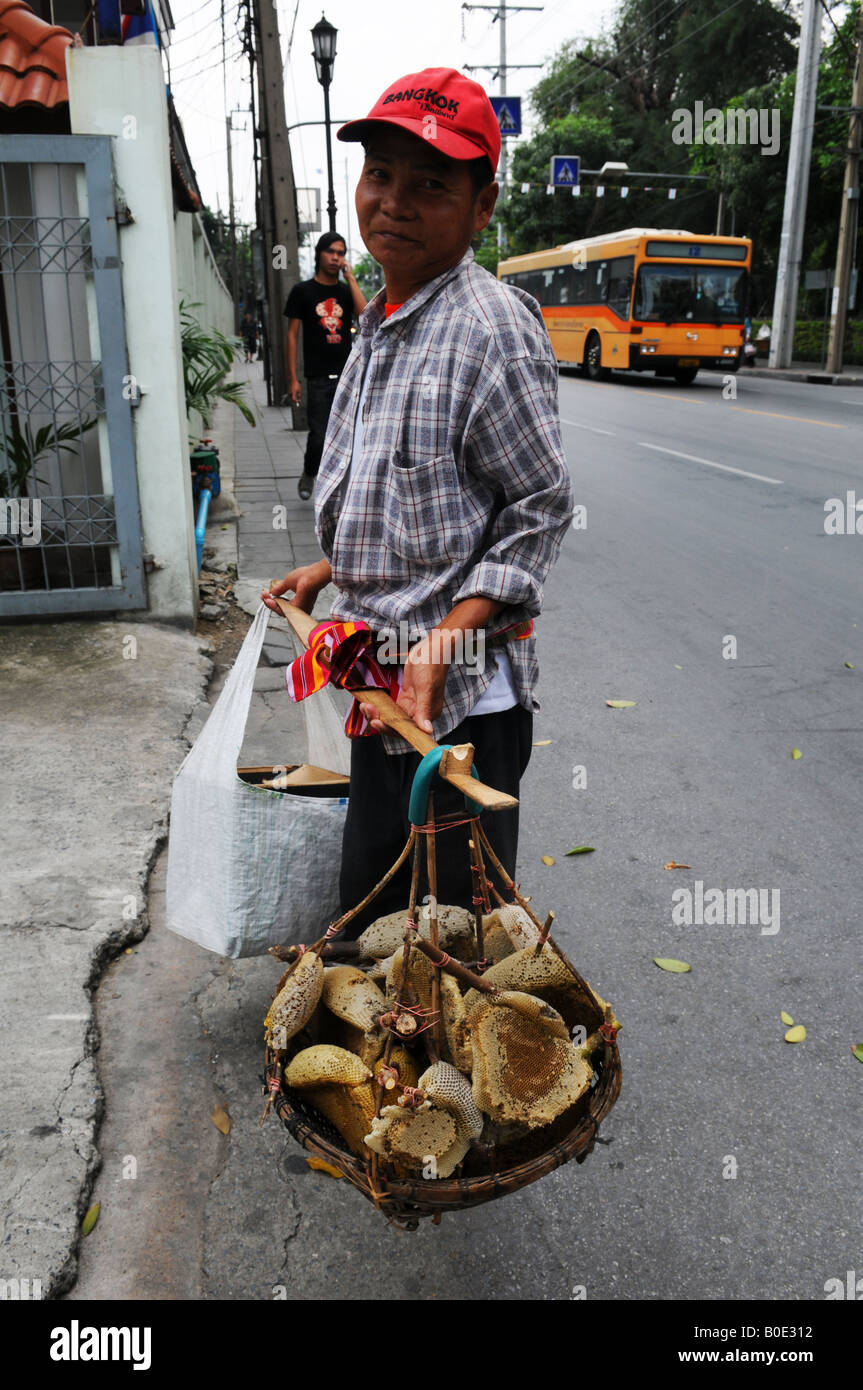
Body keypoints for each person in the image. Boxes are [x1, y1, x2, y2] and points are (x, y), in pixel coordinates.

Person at [263, 68, 573, 934]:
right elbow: (409, 492)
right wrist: (330, 567)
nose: (393, 203)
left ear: (481, 207)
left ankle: (462, 1071)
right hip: (379, 679)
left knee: (453, 943)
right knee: (371, 918)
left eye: (430, 184)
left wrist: (443, 639)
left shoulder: (492, 327)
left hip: (457, 708)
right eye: (380, 177)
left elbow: (537, 512)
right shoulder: (380, 319)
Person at [285, 232, 367, 499]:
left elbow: (365, 316)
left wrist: (351, 278)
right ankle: (310, 472)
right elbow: (292, 336)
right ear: (319, 253)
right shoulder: (302, 292)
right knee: (319, 435)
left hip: (348, 377)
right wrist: (293, 379)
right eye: (331, 252)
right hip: (317, 377)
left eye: (341, 253)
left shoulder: (345, 292)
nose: (335, 257)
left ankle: (340, 488)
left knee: (348, 436)